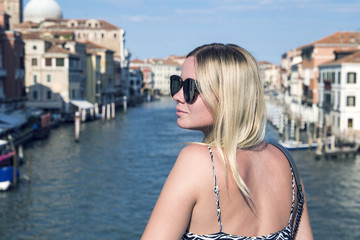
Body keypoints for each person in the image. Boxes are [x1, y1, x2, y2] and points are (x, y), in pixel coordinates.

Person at [141, 43, 313, 240]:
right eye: (177, 84)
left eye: (189, 88)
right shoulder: (287, 162)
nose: (177, 96)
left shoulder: (197, 161)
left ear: (226, 96)